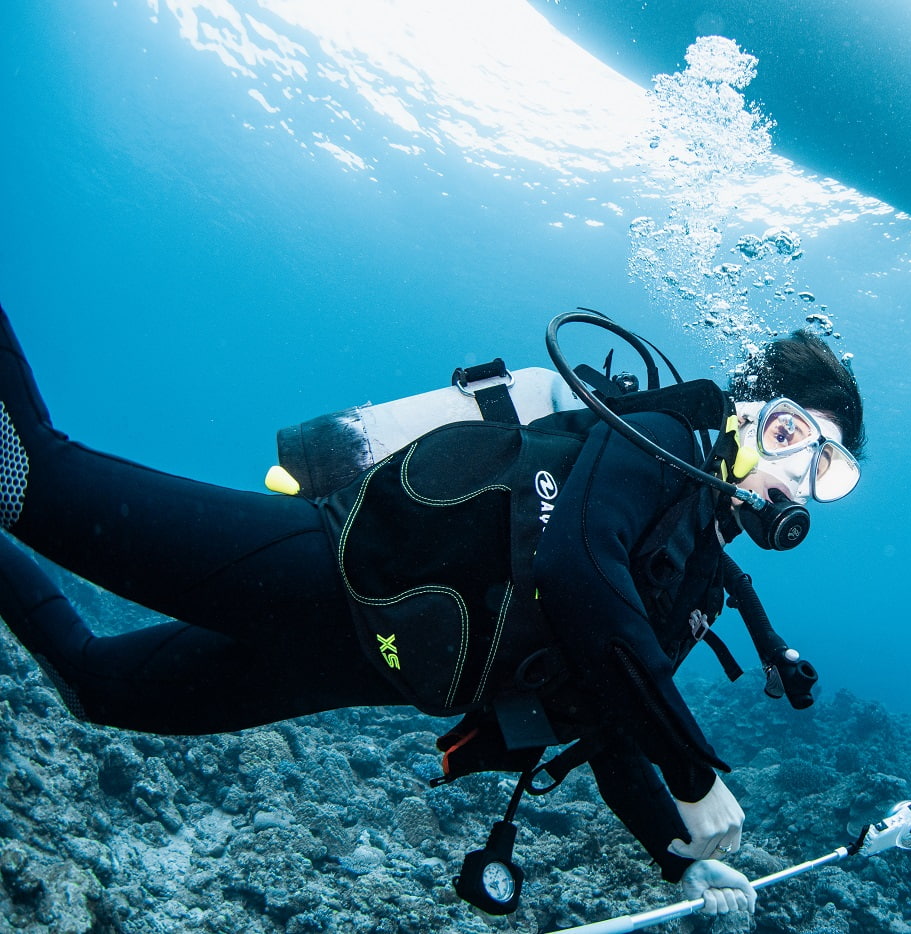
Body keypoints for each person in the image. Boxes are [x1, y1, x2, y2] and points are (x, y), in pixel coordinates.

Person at [0, 303, 864, 916]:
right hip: (326, 572)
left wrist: (674, 857)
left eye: (827, 470)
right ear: (746, 414)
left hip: (348, 666)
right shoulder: (661, 440)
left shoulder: (697, 574)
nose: (797, 474)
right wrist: (695, 773)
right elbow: (576, 570)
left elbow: (609, 716)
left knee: (96, 686)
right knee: (30, 481)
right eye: (792, 435)